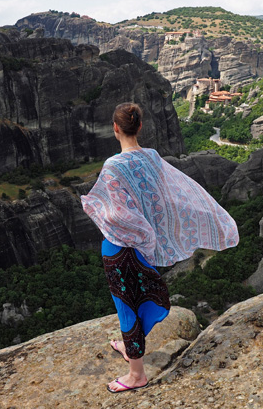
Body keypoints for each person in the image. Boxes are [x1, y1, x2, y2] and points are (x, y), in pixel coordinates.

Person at [81, 102, 239, 393]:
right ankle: (132, 347)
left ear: (115, 129)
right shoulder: (152, 157)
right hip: (142, 247)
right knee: (135, 299)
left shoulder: (113, 167)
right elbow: (170, 194)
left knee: (127, 307)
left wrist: (99, 209)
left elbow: (115, 213)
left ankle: (136, 374)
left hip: (118, 249)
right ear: (139, 127)